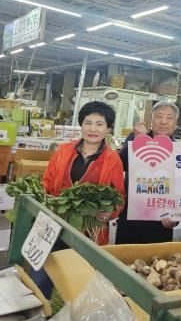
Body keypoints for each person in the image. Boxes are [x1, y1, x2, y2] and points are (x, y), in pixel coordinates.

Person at [42, 101, 125, 245]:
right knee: (52, 258)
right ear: (81, 125)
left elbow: (119, 197)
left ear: (108, 129)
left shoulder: (113, 159)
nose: (92, 129)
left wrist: (108, 213)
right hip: (55, 224)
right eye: (88, 123)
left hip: (90, 230)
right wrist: (44, 199)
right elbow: (47, 181)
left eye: (99, 124)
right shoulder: (63, 151)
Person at [116, 101, 179, 244]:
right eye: (159, 116)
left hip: (161, 222)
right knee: (123, 256)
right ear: (151, 120)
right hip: (130, 217)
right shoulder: (136, 136)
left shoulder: (180, 150)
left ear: (176, 123)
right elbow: (121, 165)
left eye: (169, 118)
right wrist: (139, 140)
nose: (163, 121)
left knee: (158, 257)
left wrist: (175, 218)